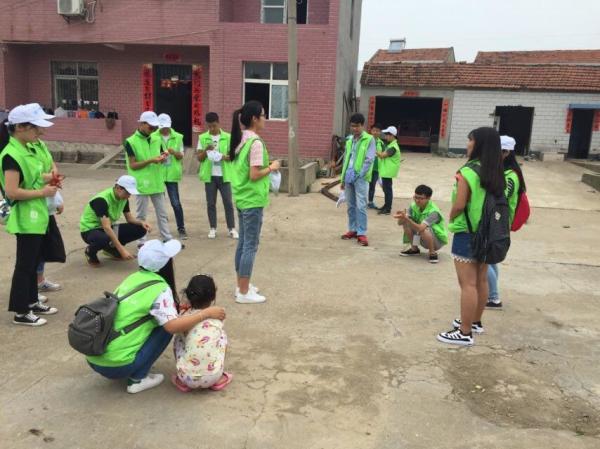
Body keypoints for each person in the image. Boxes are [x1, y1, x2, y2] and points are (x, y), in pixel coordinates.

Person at [86, 239, 226, 394]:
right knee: (166, 328)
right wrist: (206, 313)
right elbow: (172, 326)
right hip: (118, 365)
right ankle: (138, 379)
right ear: (165, 265)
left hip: (95, 358)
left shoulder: (133, 278)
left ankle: (130, 361)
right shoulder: (160, 288)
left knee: (164, 320)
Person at [437, 127, 505, 346]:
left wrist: (451, 216)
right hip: (488, 233)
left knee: (467, 284)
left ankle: (464, 332)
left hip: (467, 232)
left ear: (479, 144)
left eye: (470, 140)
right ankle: (475, 322)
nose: (467, 144)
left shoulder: (467, 171)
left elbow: (459, 204)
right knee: (481, 280)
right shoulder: (495, 171)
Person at [0, 104, 59, 326]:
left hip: (37, 214)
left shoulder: (26, 149)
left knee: (33, 262)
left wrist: (48, 179)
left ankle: (32, 301)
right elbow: (12, 191)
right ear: (20, 127)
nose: (40, 131)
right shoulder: (11, 155)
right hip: (26, 218)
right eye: (35, 127)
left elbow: (32, 177)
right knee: (25, 266)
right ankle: (21, 311)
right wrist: (43, 192)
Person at [229, 100, 280, 304]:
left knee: (243, 243)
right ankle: (243, 292)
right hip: (252, 199)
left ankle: (241, 285)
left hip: (242, 197)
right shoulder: (256, 142)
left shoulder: (240, 138)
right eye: (263, 115)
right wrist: (272, 167)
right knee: (250, 245)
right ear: (254, 118)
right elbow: (254, 174)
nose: (265, 119)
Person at [172, 274, 232, 392]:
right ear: (213, 297)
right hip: (213, 377)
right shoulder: (218, 314)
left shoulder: (183, 317)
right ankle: (219, 378)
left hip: (186, 378)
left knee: (178, 338)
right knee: (221, 336)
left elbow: (179, 329)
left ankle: (181, 380)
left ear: (188, 295)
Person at [487, 135, 526, 309]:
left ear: (506, 153)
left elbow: (501, 197)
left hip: (498, 222)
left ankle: (494, 297)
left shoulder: (510, 176)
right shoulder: (506, 173)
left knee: (484, 260)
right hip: (497, 221)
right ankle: (492, 294)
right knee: (490, 259)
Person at [80, 175, 151, 266]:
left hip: (108, 227)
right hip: (90, 230)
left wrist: (142, 222)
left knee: (140, 229)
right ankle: (90, 252)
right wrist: (122, 250)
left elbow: (130, 219)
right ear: (118, 188)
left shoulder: (124, 198)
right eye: (128, 193)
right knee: (103, 239)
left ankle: (110, 250)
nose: (129, 196)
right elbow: (106, 227)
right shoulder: (101, 200)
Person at [124, 111, 173, 244]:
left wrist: (164, 157)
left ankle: (167, 238)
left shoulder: (157, 139)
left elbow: (161, 154)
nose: (153, 130)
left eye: (155, 128)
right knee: (141, 215)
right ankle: (141, 242)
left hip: (157, 182)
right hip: (141, 184)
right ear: (142, 124)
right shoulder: (130, 142)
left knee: (162, 214)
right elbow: (133, 165)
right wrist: (151, 160)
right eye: (151, 127)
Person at [28, 132, 64, 301]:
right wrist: (51, 177)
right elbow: (32, 177)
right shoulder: (21, 150)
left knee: (43, 248)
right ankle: (30, 292)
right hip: (32, 210)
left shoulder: (40, 144)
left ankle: (39, 281)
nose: (41, 131)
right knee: (32, 253)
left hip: (46, 207)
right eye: (36, 127)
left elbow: (52, 168)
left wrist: (57, 199)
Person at [197, 112, 238, 240]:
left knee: (228, 202)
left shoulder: (228, 137)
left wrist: (223, 157)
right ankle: (213, 228)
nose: (212, 129)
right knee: (211, 203)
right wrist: (206, 150)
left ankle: (231, 228)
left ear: (219, 123)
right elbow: (199, 158)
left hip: (224, 175)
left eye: (214, 126)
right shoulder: (203, 137)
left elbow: (233, 156)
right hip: (210, 176)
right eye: (209, 126)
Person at [340, 113, 376, 247]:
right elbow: (346, 159)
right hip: (348, 175)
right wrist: (343, 178)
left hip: (361, 178)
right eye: (352, 126)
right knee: (350, 205)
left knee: (361, 206)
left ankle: (361, 232)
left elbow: (369, 159)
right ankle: (353, 229)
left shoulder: (369, 139)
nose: (354, 128)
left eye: (357, 126)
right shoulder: (350, 140)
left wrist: (360, 175)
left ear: (362, 125)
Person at [395, 184, 448, 263]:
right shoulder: (413, 206)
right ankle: (414, 249)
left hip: (436, 241)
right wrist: (402, 217)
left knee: (423, 229)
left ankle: (432, 253)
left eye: (421, 198)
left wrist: (407, 219)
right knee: (406, 223)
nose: (417, 200)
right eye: (416, 197)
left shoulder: (434, 211)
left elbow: (420, 228)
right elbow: (400, 223)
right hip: (421, 237)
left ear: (428, 198)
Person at [156, 113, 187, 240]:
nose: (164, 129)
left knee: (175, 202)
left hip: (172, 174)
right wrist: (159, 157)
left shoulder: (178, 137)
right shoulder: (154, 136)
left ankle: (181, 228)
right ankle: (164, 230)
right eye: (162, 127)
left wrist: (174, 153)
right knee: (160, 204)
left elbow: (181, 155)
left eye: (166, 127)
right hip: (158, 173)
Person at [377, 126, 401, 215]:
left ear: (392, 135)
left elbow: (382, 155)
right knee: (386, 190)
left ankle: (387, 209)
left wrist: (374, 150)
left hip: (388, 171)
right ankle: (386, 206)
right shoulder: (391, 145)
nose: (386, 137)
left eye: (387, 135)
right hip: (387, 171)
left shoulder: (393, 147)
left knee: (387, 191)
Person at [367, 123, 383, 210]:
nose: (375, 132)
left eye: (377, 131)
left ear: (380, 132)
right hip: (366, 168)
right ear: (371, 131)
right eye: (374, 130)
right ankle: (361, 202)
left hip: (376, 168)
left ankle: (370, 202)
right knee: (363, 185)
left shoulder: (381, 143)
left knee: (372, 186)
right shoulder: (367, 141)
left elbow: (384, 155)